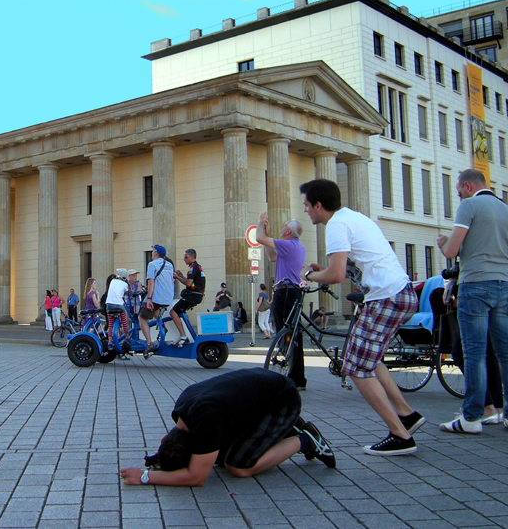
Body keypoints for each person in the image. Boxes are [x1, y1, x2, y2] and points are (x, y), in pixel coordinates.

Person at [300, 179, 424, 456]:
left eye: (307, 206)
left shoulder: (336, 225)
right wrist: (326, 269)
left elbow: (335, 276)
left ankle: (400, 436)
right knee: (372, 358)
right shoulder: (353, 217)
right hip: (400, 294)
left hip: (386, 298)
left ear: (319, 205)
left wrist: (310, 275)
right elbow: (355, 267)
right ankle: (407, 415)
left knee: (355, 367)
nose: (306, 211)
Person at [119, 368, 335, 487]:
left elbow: (196, 477)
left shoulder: (206, 422)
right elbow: (176, 444)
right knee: (220, 457)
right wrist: (161, 456)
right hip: (264, 389)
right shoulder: (182, 410)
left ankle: (306, 440)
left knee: (237, 466)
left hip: (283, 400)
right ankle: (285, 429)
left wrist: (145, 476)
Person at [436, 169, 508, 434]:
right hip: (503, 286)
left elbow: (452, 251)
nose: (459, 195)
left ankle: (471, 417)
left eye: (459, 191)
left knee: (474, 353)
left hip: (475, 285)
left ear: (467, 186)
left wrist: (443, 243)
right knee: (506, 352)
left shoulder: (469, 206)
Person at [256, 215, 308, 389]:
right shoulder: (298, 248)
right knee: (294, 334)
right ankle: (298, 378)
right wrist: (267, 232)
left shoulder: (287, 245)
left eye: (284, 225)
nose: (282, 227)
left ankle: (289, 374)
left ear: (287, 231)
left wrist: (260, 223)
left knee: (284, 332)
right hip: (294, 292)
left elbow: (258, 238)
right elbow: (272, 257)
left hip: (284, 292)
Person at [139, 245, 174, 354]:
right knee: (155, 314)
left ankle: (149, 343)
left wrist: (149, 298)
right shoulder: (169, 265)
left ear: (155, 253)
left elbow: (151, 282)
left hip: (156, 297)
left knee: (142, 317)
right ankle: (161, 326)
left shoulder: (152, 264)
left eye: (153, 251)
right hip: (168, 298)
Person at [169, 249, 206, 347]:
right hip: (197, 295)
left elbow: (188, 283)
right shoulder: (197, 267)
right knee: (180, 312)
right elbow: (191, 282)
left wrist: (176, 277)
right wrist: (181, 276)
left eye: (186, 257)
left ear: (192, 257)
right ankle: (187, 334)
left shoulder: (193, 267)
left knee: (173, 312)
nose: (184, 259)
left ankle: (183, 336)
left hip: (193, 295)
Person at [104, 269, 132, 359]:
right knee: (124, 321)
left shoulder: (112, 281)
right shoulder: (125, 284)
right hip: (119, 305)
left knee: (111, 325)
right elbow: (128, 291)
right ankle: (127, 337)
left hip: (109, 305)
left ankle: (109, 343)